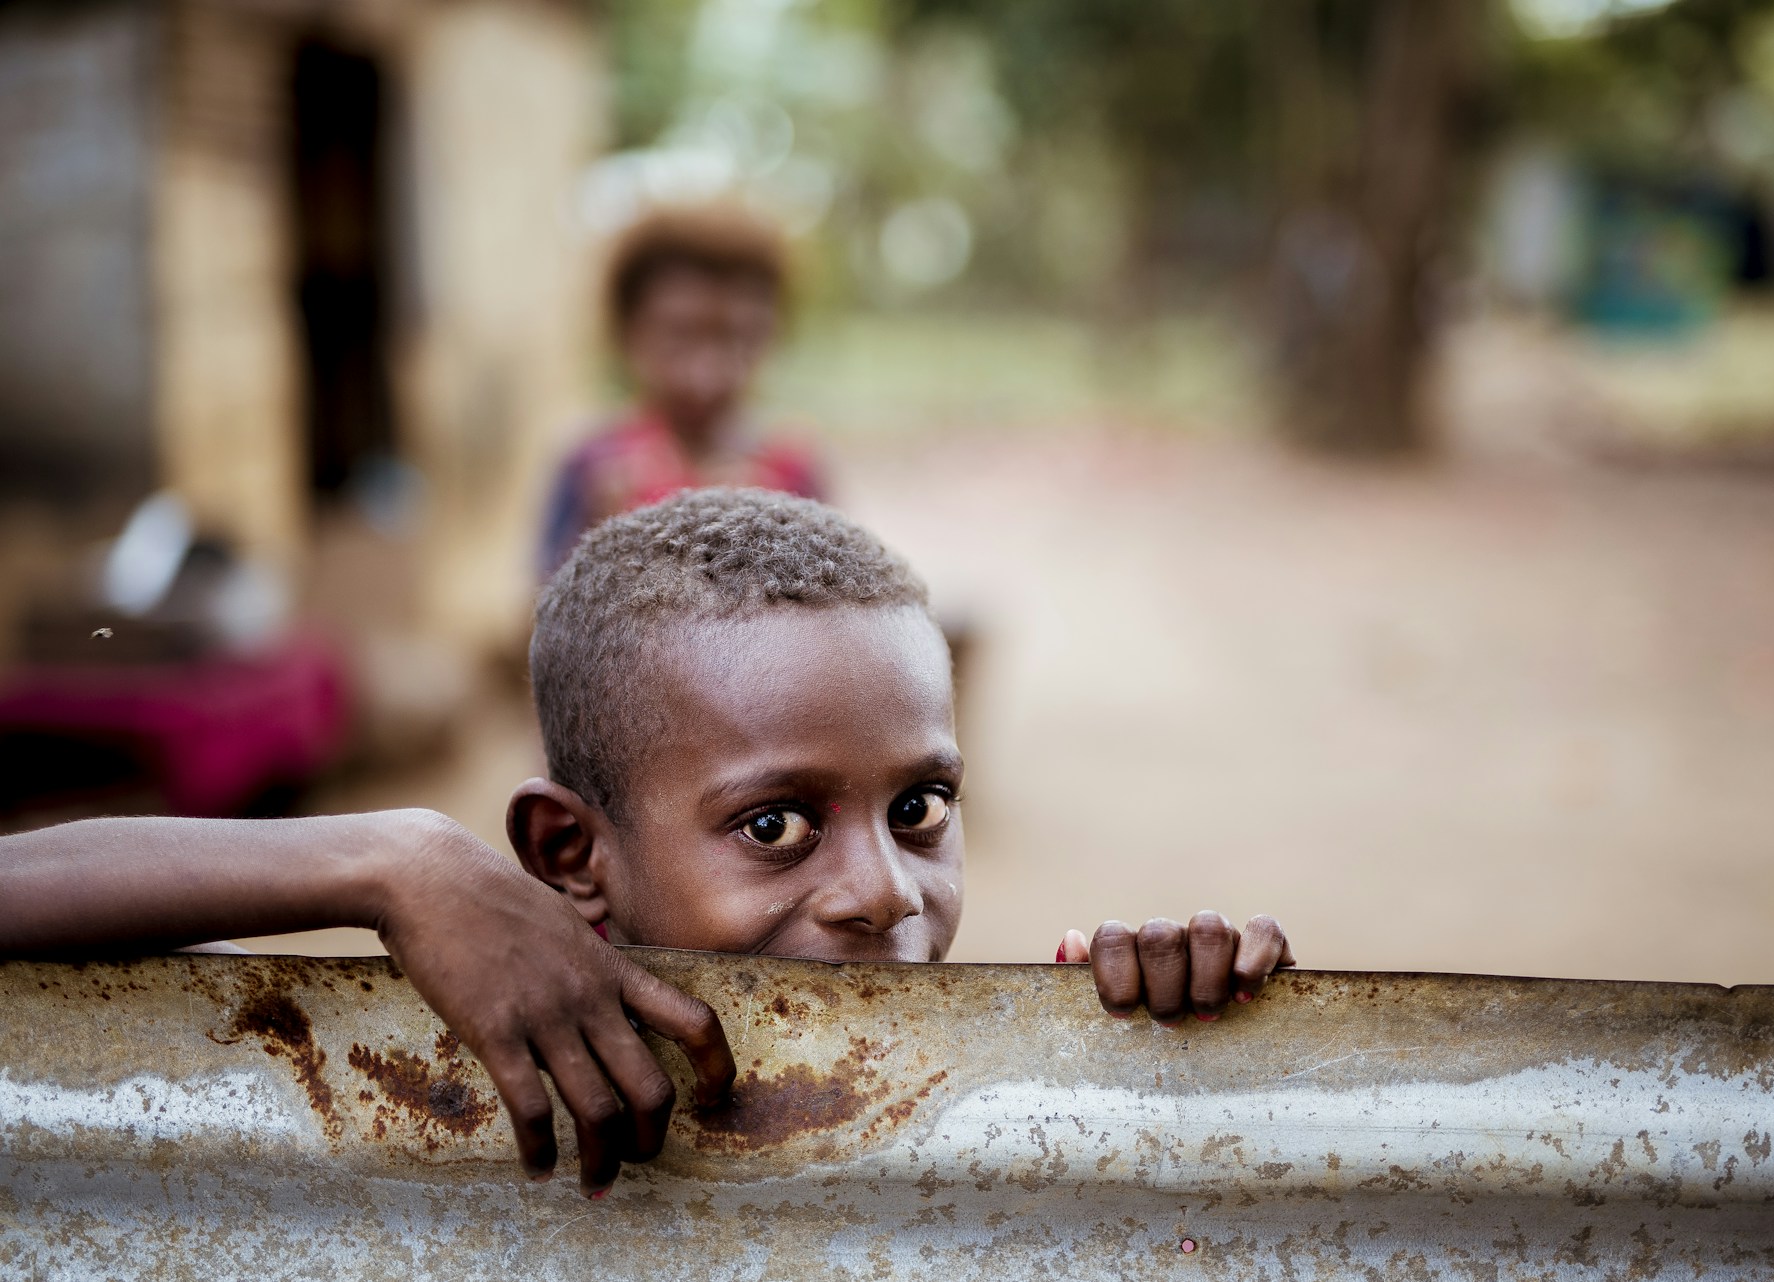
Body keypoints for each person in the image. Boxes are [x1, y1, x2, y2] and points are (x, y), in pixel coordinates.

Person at [0, 488, 1293, 1198]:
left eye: (921, 807)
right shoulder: (465, 1039)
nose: (882, 892)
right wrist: (393, 860)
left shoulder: (981, 1072)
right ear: (571, 853)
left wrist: (1159, 1046)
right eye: (775, 825)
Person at [539, 205, 826, 578]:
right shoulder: (592, 468)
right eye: (680, 336)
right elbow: (540, 619)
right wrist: (602, 544)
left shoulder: (793, 471)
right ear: (629, 333)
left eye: (737, 339)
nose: (705, 374)